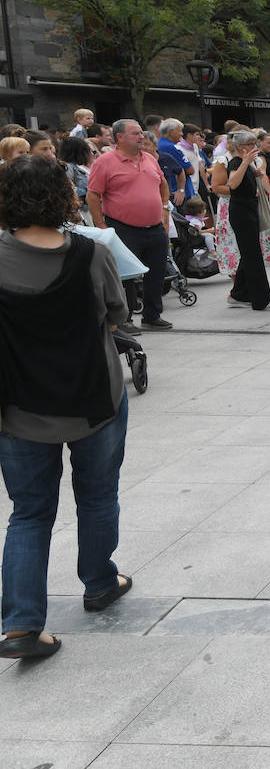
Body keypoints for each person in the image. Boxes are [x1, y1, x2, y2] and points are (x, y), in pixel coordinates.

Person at [0, 156, 133, 659]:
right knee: (97, 496)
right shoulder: (91, 253)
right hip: (93, 400)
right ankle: (99, 582)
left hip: (18, 409)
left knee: (29, 513)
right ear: (63, 194)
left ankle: (21, 626)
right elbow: (117, 314)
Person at [85, 119, 173, 333]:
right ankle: (123, 319)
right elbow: (93, 195)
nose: (141, 137)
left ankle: (152, 315)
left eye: (141, 133)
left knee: (157, 273)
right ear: (119, 137)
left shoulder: (150, 159)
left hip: (154, 227)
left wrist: (164, 208)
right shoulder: (105, 162)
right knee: (124, 275)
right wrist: (100, 225)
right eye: (135, 134)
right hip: (123, 227)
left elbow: (162, 184)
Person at [222, 129, 270, 310]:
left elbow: (253, 177)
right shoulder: (236, 162)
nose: (254, 147)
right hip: (241, 213)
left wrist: (257, 174)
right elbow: (233, 183)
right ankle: (259, 299)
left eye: (254, 144)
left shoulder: (246, 163)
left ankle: (238, 294)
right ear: (240, 147)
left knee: (249, 254)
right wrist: (246, 162)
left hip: (249, 211)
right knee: (253, 256)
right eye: (250, 144)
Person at [155, 119, 190, 206]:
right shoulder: (170, 147)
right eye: (180, 131)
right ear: (171, 132)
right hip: (176, 196)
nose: (182, 134)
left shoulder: (160, 144)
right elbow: (190, 170)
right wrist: (181, 190)